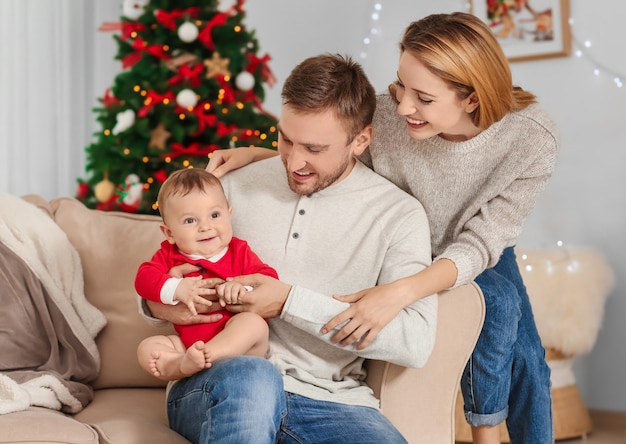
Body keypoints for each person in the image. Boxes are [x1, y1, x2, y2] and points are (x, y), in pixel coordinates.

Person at [207, 12, 559, 444]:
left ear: (470, 99)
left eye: (423, 98)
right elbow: (336, 153)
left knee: (523, 347)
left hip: (471, 245)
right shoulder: (390, 116)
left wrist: (401, 291)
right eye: (400, 85)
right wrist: (259, 153)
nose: (404, 106)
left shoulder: (530, 138)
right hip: (406, 238)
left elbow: (481, 243)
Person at [143, 53, 438, 444]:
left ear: (361, 139)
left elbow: (414, 343)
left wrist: (288, 303)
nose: (294, 161)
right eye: (285, 139)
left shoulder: (398, 215)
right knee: (255, 375)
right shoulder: (231, 186)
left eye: (314, 148)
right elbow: (158, 281)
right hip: (218, 380)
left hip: (331, 400)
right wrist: (161, 302)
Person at [135, 168, 278, 381]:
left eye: (214, 215)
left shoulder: (238, 251)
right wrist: (177, 288)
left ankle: (209, 355)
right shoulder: (169, 255)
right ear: (170, 233)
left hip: (241, 351)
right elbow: (143, 280)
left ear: (229, 214)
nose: (206, 226)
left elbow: (269, 279)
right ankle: (182, 365)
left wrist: (242, 289)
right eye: (190, 221)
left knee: (253, 323)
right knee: (148, 348)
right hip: (188, 346)